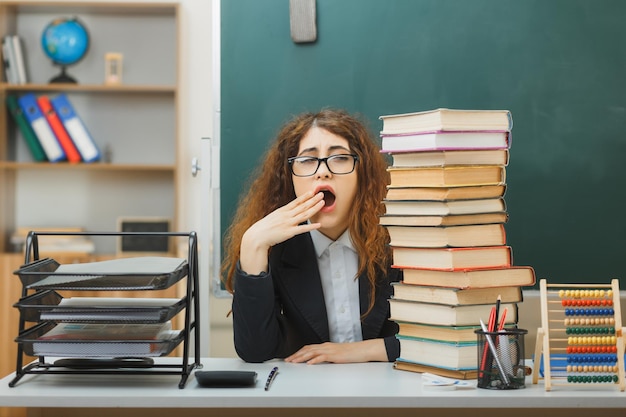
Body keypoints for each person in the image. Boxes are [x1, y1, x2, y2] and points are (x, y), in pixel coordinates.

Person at [221, 108, 401, 364]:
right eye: (307, 160)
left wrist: (361, 351)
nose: (323, 171)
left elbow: (440, 339)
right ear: (290, 178)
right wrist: (252, 245)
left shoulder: (399, 242)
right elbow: (254, 351)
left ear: (362, 174)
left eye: (339, 157)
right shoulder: (276, 250)